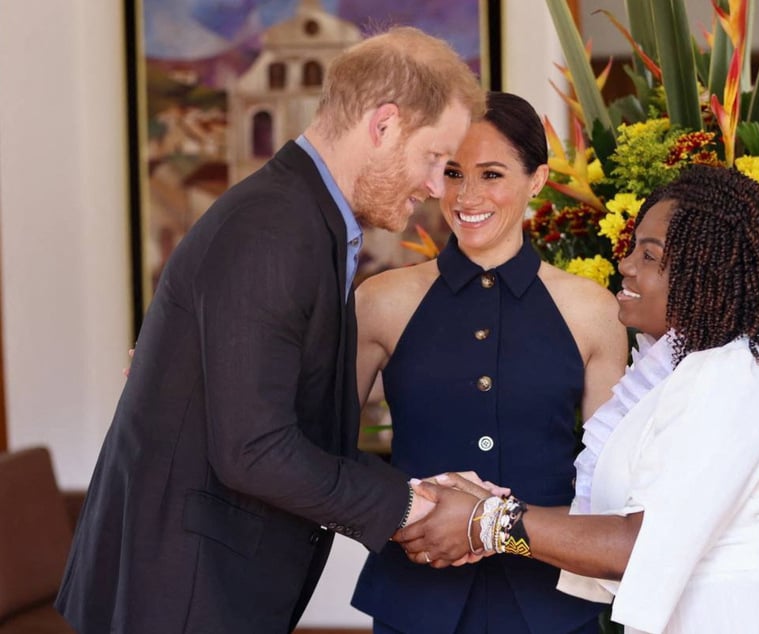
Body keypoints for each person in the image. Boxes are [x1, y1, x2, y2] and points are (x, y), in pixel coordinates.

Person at [55, 27, 484, 634]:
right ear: (384, 125)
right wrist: (408, 506)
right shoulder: (275, 229)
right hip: (182, 594)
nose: (437, 188)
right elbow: (253, 451)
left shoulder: (304, 218)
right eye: (435, 160)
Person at [397, 165, 759, 633]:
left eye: (650, 256)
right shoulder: (687, 371)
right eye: (634, 248)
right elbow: (623, 521)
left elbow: (639, 544)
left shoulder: (734, 381)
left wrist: (485, 522)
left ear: (706, 273)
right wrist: (484, 508)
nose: (625, 265)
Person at [349, 92, 629, 633]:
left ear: (538, 179)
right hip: (414, 595)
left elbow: (609, 485)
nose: (467, 195)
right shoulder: (380, 300)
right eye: (453, 172)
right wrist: (407, 511)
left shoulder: (594, 310)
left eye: (492, 174)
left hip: (551, 603)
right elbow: (322, 447)